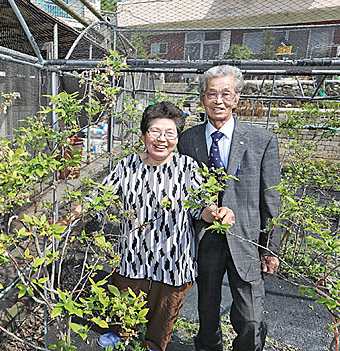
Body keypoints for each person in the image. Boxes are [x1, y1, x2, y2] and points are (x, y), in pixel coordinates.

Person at [86, 101, 235, 351]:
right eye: (155, 131)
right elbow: (99, 196)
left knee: (165, 311)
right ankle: (120, 334)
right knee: (124, 299)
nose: (161, 139)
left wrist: (218, 213)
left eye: (169, 133)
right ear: (144, 135)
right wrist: (73, 213)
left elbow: (202, 209)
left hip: (174, 258)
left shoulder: (188, 168)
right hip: (133, 254)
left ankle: (154, 344)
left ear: (177, 138)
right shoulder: (127, 165)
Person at [177, 65, 281, 351]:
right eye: (212, 94)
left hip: (245, 239)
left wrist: (270, 249)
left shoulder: (262, 141)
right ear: (202, 99)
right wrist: (203, 210)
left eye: (226, 94)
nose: (218, 100)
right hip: (206, 240)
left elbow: (271, 198)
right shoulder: (188, 139)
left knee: (249, 318)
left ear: (237, 98)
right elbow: (183, 190)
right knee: (207, 314)